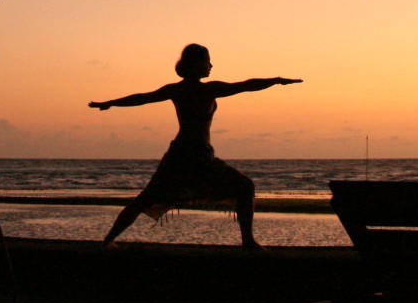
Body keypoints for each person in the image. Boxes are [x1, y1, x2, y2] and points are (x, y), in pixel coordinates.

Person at [88, 43, 302, 250]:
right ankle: (248, 242)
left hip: (182, 154)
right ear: (197, 65)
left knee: (146, 198)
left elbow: (142, 98)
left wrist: (110, 103)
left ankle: (107, 240)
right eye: (208, 62)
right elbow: (245, 85)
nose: (211, 66)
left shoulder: (179, 90)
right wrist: (276, 80)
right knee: (245, 187)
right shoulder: (208, 90)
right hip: (193, 155)